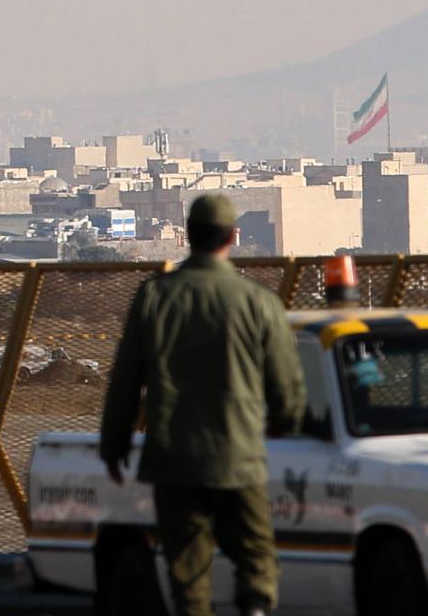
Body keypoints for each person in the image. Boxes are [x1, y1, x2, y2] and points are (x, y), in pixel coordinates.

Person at [99, 195, 305, 616]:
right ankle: (255, 607)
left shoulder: (154, 297)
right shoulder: (259, 302)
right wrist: (285, 425)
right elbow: (286, 385)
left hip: (175, 459)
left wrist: (114, 443)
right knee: (256, 555)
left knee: (188, 571)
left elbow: (125, 381)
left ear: (188, 235)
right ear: (233, 236)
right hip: (239, 456)